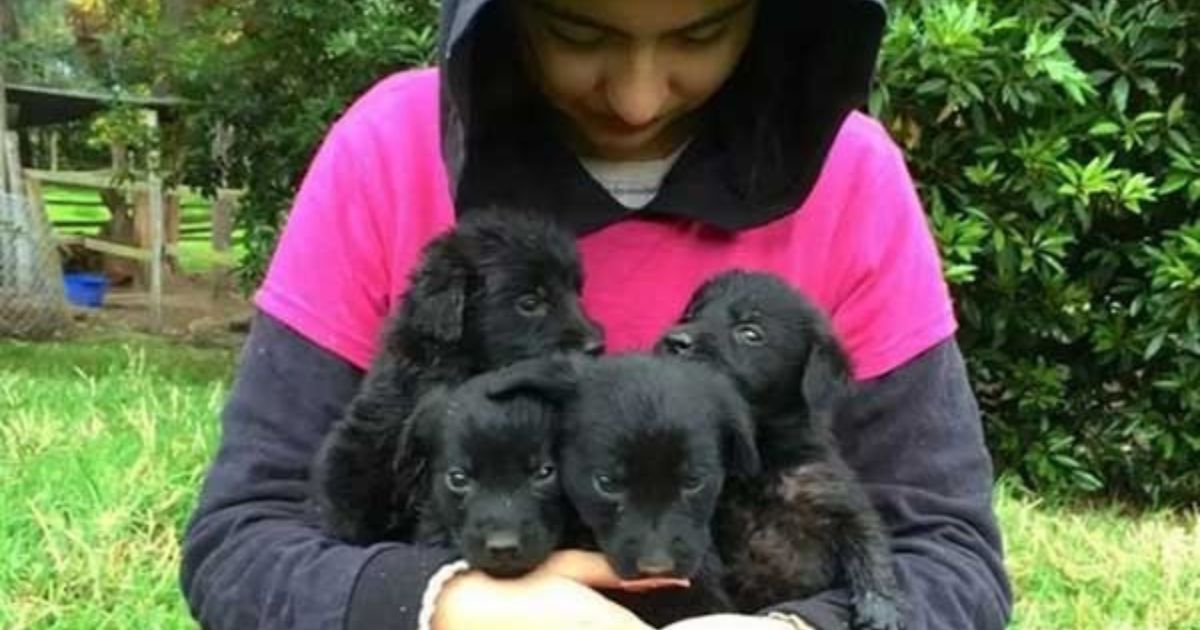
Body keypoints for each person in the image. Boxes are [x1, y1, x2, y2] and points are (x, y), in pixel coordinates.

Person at [179, 0, 1013, 628]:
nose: (639, 97)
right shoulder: (393, 152)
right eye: (581, 34)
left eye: (701, 33)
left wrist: (796, 628)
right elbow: (240, 544)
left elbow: (953, 559)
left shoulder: (850, 181)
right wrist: (446, 604)